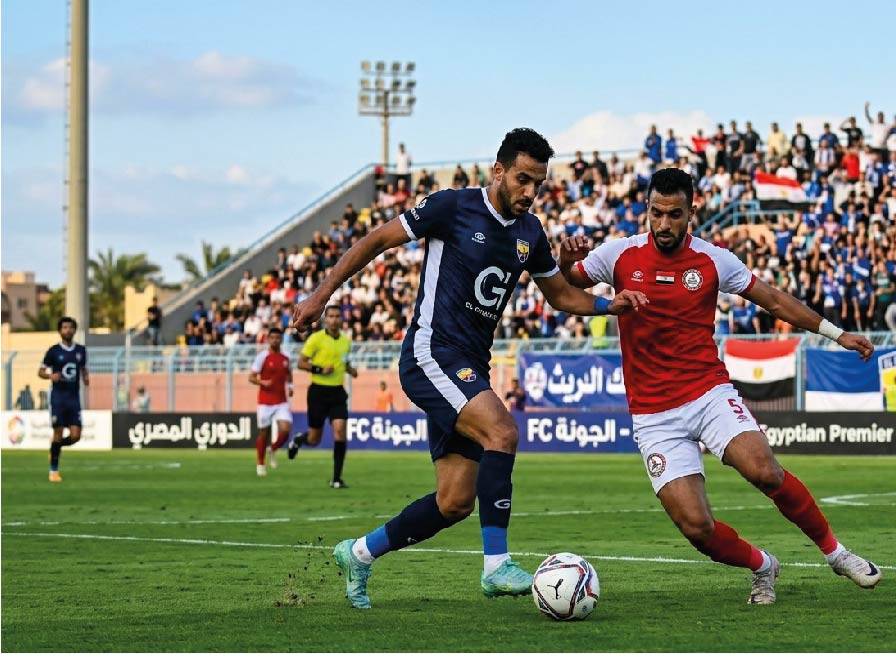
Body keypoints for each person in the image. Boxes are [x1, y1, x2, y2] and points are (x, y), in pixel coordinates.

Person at [289, 128, 647, 608]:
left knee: (454, 501)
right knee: (502, 431)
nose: (529, 192)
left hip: (469, 365)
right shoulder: (453, 206)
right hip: (431, 353)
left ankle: (358, 554)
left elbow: (561, 295)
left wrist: (609, 305)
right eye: (522, 179)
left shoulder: (530, 233)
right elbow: (376, 240)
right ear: (498, 170)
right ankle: (496, 567)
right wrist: (321, 295)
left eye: (538, 184)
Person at [556, 168, 880, 606]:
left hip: (708, 393)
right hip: (653, 415)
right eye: (656, 213)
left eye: (674, 214)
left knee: (764, 470)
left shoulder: (712, 260)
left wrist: (836, 333)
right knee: (697, 528)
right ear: (646, 210)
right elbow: (567, 284)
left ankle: (837, 554)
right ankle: (762, 565)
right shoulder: (619, 255)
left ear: (691, 212)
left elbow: (774, 300)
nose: (664, 223)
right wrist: (565, 259)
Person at [286, 307, 357, 487]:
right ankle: (299, 440)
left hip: (337, 392)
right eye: (331, 316)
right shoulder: (315, 339)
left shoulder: (345, 342)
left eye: (337, 316)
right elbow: (301, 363)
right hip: (318, 392)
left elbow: (343, 361)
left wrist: (350, 370)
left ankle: (336, 479)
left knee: (340, 430)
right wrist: (319, 369)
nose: (334, 320)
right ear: (326, 320)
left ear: (341, 319)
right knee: (314, 439)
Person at [38, 317, 89, 483]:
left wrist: (85, 377)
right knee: (58, 433)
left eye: (70, 327)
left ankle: (55, 448)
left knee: (75, 436)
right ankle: (54, 471)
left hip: (74, 399)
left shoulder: (81, 350)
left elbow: (83, 367)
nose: (68, 330)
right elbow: (40, 371)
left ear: (74, 330)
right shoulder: (53, 351)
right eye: (65, 327)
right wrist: (50, 376)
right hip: (58, 398)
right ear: (60, 331)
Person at [250, 326, 294, 477]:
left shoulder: (286, 356)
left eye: (278, 338)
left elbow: (289, 373)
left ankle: (273, 449)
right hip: (265, 402)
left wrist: (291, 386)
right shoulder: (262, 357)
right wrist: (262, 382)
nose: (275, 340)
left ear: (281, 339)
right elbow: (251, 377)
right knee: (264, 434)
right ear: (268, 339)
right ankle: (260, 464)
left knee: (286, 429)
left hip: (281, 401)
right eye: (272, 338)